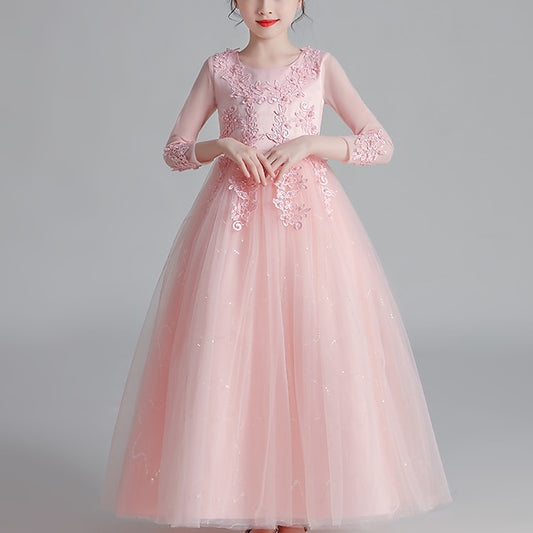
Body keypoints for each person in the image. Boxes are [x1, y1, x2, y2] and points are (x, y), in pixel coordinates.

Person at [100, 1, 453, 532]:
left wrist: (312, 143)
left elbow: (379, 143)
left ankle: (297, 505)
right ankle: (251, 503)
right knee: (237, 354)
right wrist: (221, 145)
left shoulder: (319, 66)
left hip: (308, 229)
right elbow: (175, 150)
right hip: (233, 228)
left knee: (306, 350)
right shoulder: (220, 68)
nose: (267, 7)